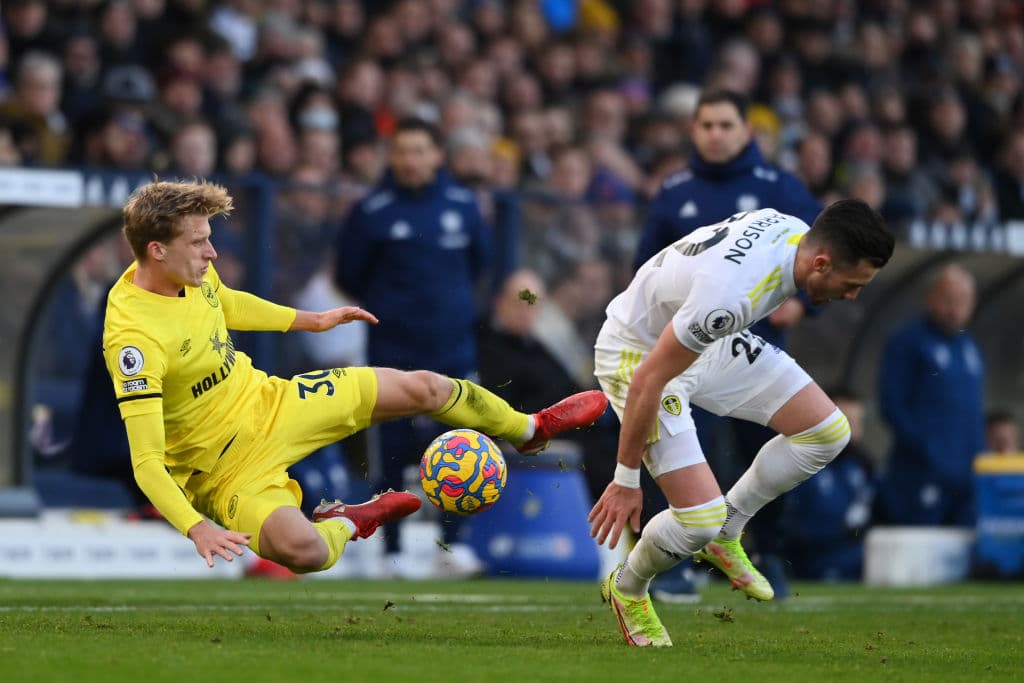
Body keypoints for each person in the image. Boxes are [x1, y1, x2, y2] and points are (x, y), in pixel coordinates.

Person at [102, 179, 608, 575]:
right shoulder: (134, 341)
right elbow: (147, 463)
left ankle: (528, 429)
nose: (212, 253)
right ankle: (349, 519)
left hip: (270, 402)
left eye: (210, 239)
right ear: (157, 251)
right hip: (223, 470)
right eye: (199, 243)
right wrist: (195, 529)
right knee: (305, 553)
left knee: (424, 387)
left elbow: (226, 303)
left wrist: (311, 319)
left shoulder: (189, 269)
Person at [588, 199, 893, 647]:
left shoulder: (792, 230)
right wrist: (625, 478)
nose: (851, 296)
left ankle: (730, 528)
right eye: (851, 284)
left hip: (703, 339)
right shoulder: (730, 297)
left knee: (828, 432)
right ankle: (629, 586)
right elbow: (649, 378)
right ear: (822, 262)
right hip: (640, 356)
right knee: (697, 521)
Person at [631, 89, 823, 601]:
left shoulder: (780, 187)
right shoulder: (673, 191)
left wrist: (804, 305)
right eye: (706, 125)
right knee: (678, 452)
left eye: (725, 125)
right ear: (694, 131)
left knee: (769, 454)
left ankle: (767, 552)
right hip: (686, 350)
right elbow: (645, 267)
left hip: (756, 350)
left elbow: (829, 260)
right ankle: (675, 564)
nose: (715, 134)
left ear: (746, 131)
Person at [334, 117, 497, 577]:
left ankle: (453, 547)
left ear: (436, 156)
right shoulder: (372, 211)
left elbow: (482, 266)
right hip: (392, 352)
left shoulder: (464, 207)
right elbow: (350, 274)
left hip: (453, 353)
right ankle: (392, 551)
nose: (410, 160)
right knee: (392, 452)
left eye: (419, 151)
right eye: (402, 151)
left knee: (461, 450)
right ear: (392, 156)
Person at [876, 264, 985, 527]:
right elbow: (892, 405)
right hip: (921, 472)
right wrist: (926, 448)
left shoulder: (969, 346)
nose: (954, 309)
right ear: (931, 298)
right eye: (948, 299)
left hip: (966, 471)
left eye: (963, 301)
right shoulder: (907, 342)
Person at [780, 390, 877, 582]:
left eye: (859, 423)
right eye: (848, 421)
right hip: (815, 560)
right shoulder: (799, 463)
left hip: (859, 557)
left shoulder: (864, 467)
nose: (854, 430)